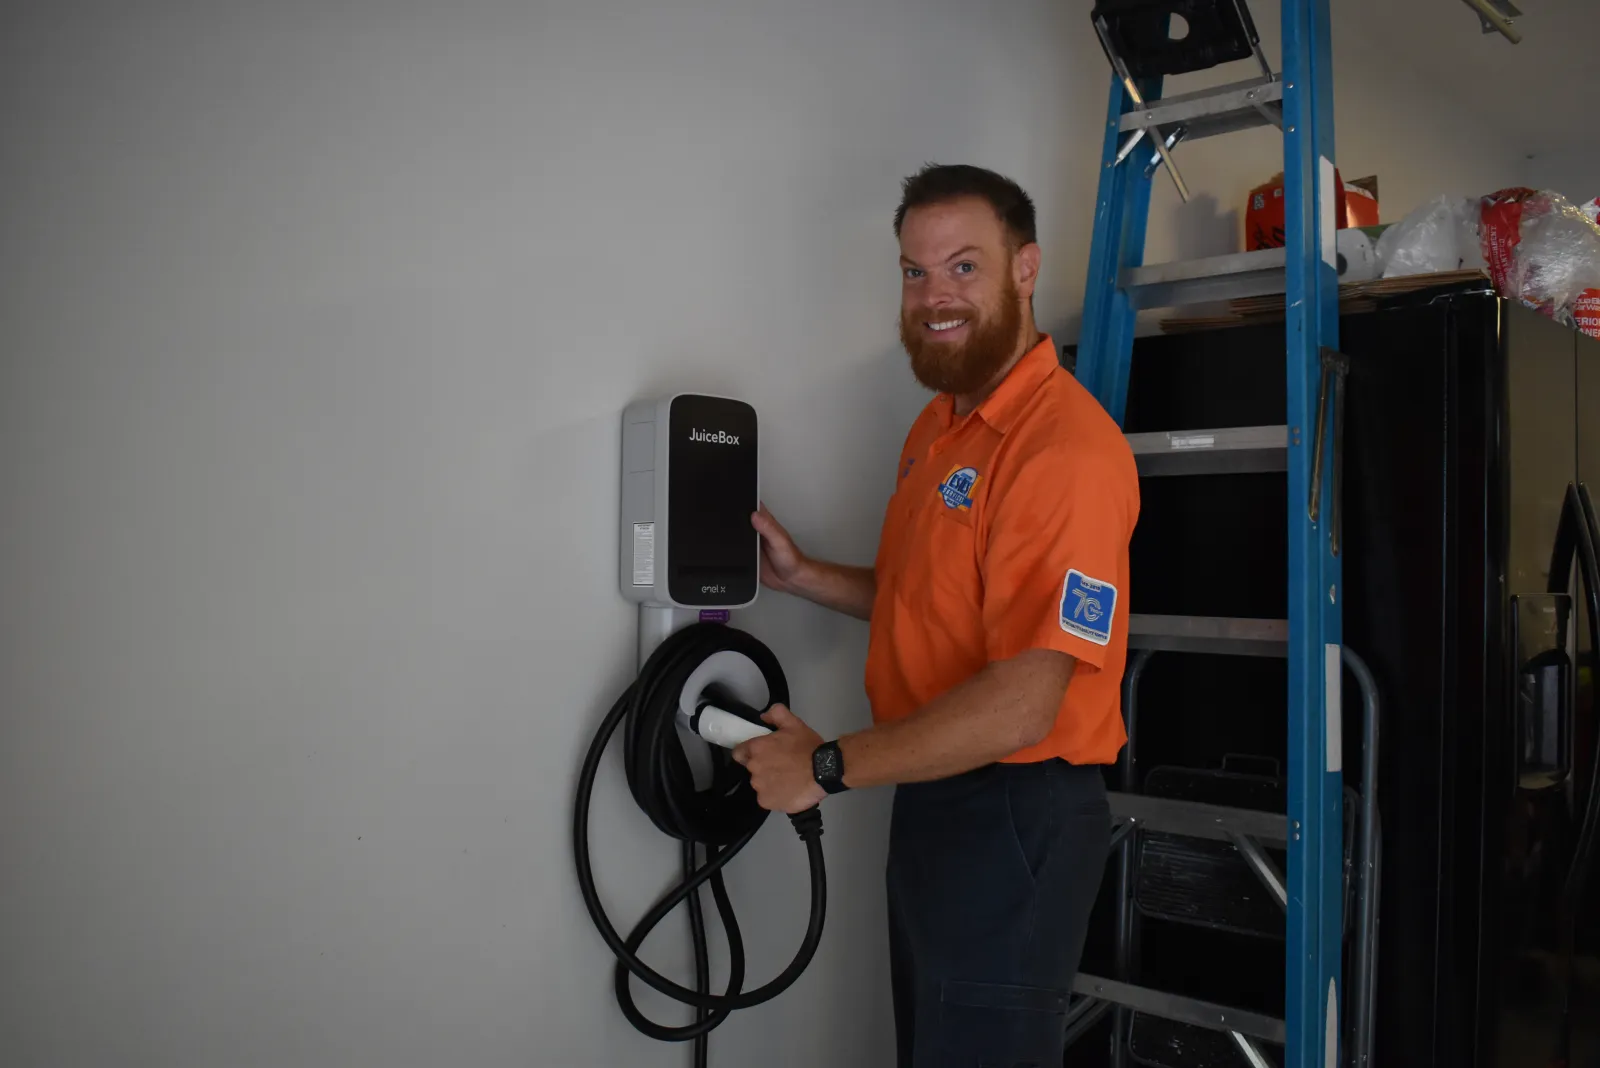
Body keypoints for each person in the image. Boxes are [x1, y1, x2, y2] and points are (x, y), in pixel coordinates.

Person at [731, 163, 1140, 1066]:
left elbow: (1025, 700)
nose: (933, 296)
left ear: (1024, 269)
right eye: (915, 272)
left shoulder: (1062, 452)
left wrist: (824, 766)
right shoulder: (944, 425)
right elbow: (927, 601)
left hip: (1016, 809)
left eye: (963, 267)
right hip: (938, 787)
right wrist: (801, 577)